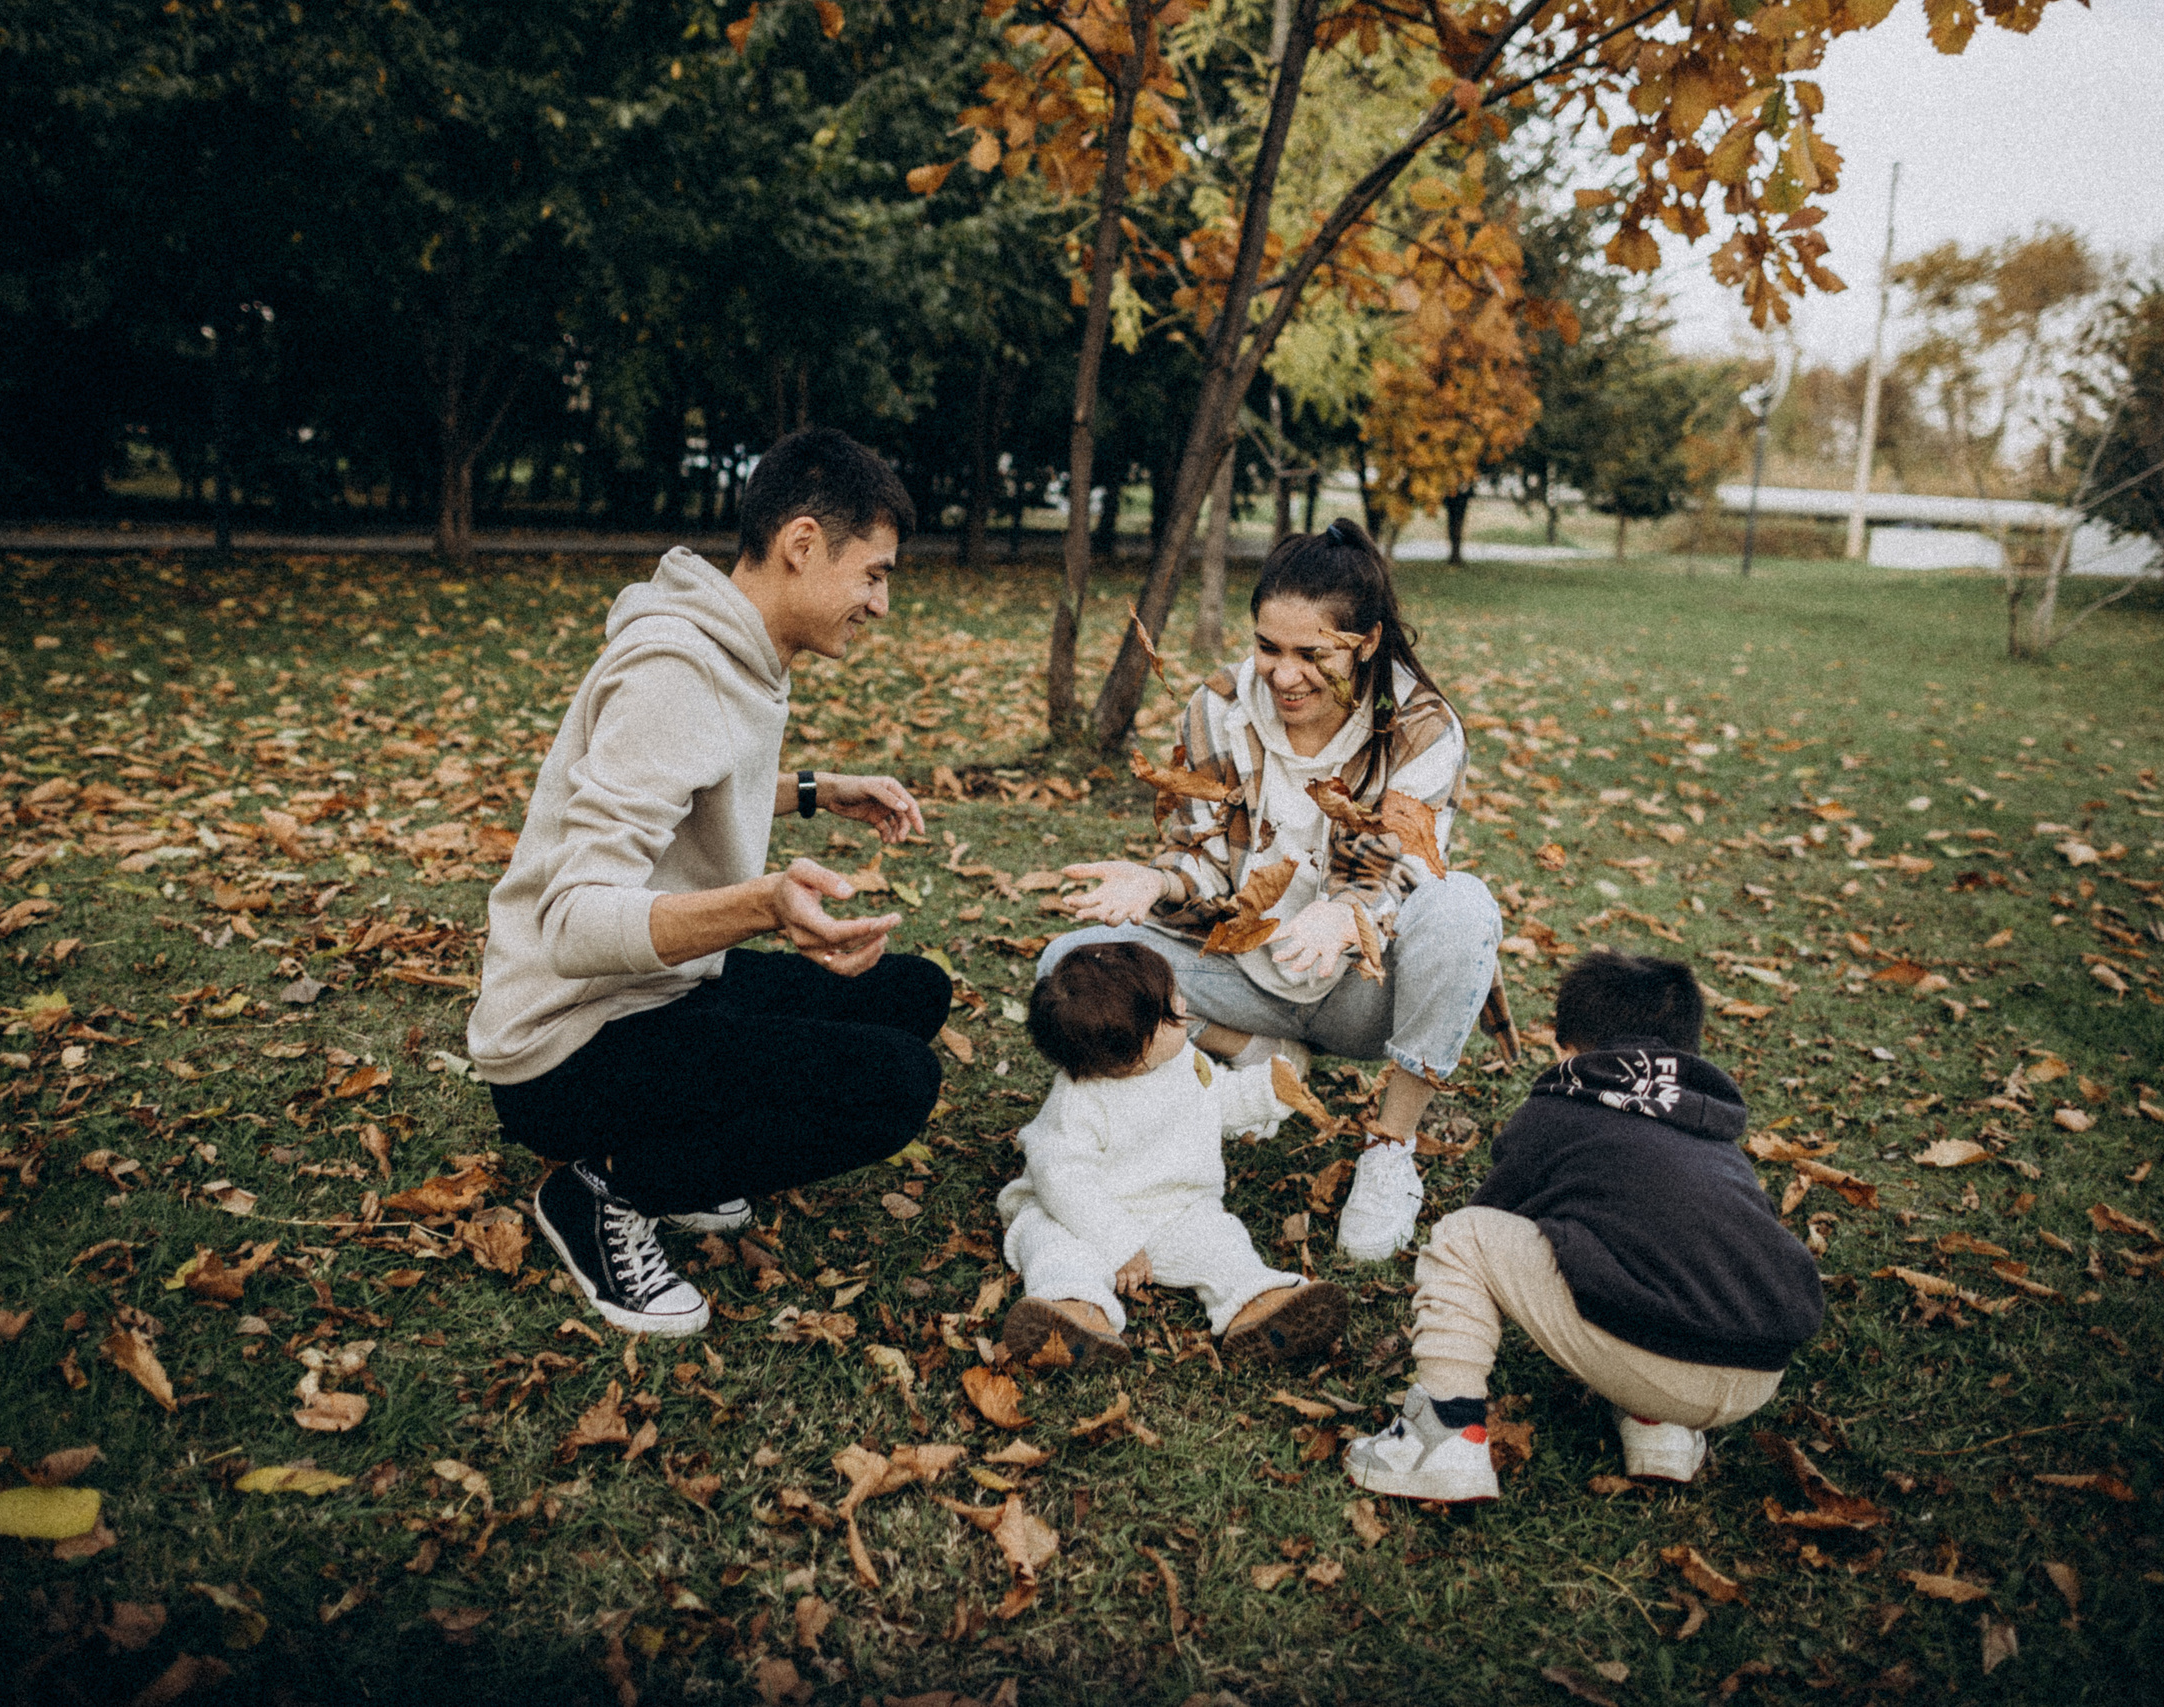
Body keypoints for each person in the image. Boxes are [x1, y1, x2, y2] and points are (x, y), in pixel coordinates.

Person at [467, 429, 952, 1337]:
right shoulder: (676, 671)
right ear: (802, 545)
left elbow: (688, 781)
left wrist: (817, 790)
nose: (882, 603)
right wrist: (764, 903)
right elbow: (571, 923)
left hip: (660, 990)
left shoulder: (734, 647)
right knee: (893, 1084)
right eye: (875, 574)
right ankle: (606, 1192)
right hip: (566, 1045)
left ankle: (677, 1153)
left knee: (911, 993)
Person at [1045, 518, 1502, 1263]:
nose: (1283, 675)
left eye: (1311, 654)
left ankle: (1390, 1144)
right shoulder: (1218, 710)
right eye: (1269, 648)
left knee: (1465, 907)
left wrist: (1346, 914)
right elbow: (1204, 870)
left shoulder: (1421, 726)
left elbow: (1405, 870)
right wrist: (1154, 876)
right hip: (1238, 976)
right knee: (1067, 965)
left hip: (1362, 991)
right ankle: (1257, 1051)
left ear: (1366, 643)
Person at [1344, 951, 1825, 1503]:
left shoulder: (1562, 1106)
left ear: (1566, 1048)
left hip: (1660, 1357)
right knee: (1664, 1254)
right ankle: (1660, 1432)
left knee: (1465, 1236)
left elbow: (1500, 1218)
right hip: (1759, 1369)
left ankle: (1445, 1436)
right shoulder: (1712, 1132)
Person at [995, 940, 1350, 1368]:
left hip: (1175, 1211)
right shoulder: (1079, 1102)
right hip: (1083, 1217)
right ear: (1134, 1052)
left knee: (1223, 1244)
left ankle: (1258, 1303)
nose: (1183, 1004)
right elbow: (1063, 1181)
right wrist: (1117, 1242)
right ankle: (1072, 1313)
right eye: (1170, 1008)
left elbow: (1216, 1097)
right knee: (1055, 1249)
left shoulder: (1182, 1061)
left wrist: (1265, 1092)